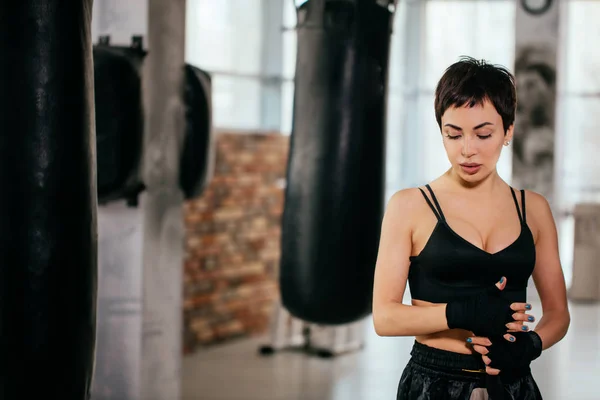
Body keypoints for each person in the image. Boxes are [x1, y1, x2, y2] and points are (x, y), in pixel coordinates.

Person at [372, 56, 570, 400]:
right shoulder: (410, 206)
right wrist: (461, 312)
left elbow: (558, 314)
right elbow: (384, 317)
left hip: (513, 381)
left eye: (483, 134)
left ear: (508, 131)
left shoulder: (533, 209)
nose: (467, 150)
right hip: (434, 382)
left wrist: (531, 345)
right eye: (453, 135)